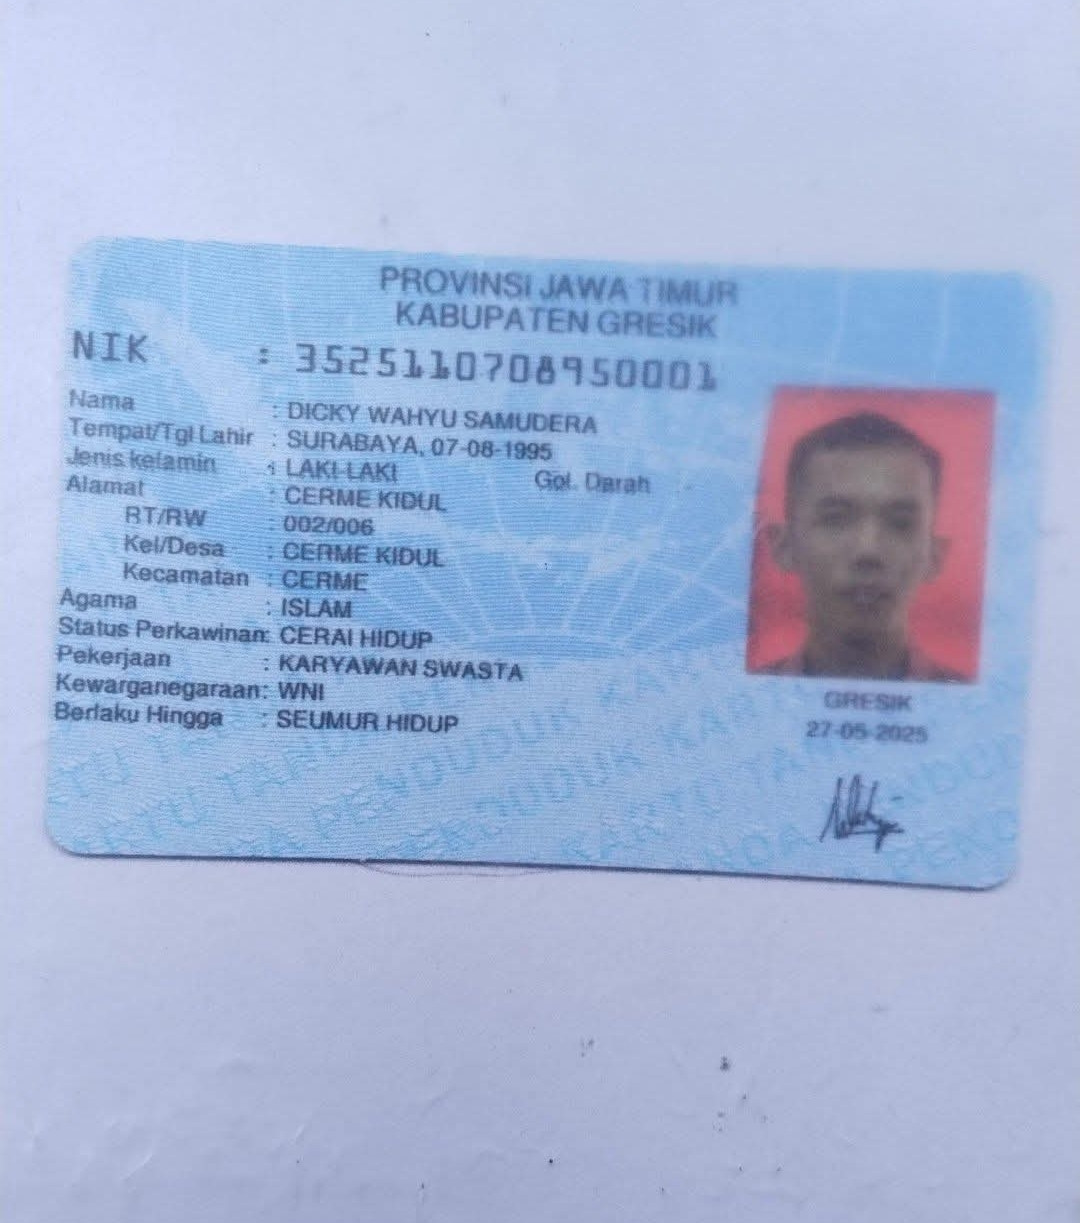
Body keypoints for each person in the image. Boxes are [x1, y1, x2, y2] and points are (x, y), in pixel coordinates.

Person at [757, 411, 965, 681]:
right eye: (835, 519)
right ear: (784, 546)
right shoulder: (736, 700)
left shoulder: (980, 704)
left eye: (900, 524)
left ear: (935, 556)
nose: (868, 551)